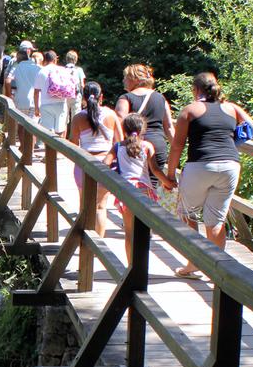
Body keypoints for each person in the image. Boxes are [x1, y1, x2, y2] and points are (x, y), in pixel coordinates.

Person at [163, 72, 253, 279]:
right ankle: (218, 269)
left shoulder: (190, 110)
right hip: (229, 166)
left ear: (195, 90)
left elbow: (177, 146)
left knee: (187, 214)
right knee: (216, 220)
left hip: (200, 165)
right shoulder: (231, 108)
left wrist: (170, 175)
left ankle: (192, 263)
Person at [116, 111, 175, 263]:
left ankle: (131, 266)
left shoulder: (118, 147)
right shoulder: (147, 146)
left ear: (124, 130)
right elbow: (155, 170)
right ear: (143, 130)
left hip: (125, 190)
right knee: (143, 232)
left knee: (129, 232)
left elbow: (104, 164)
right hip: (144, 190)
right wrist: (168, 182)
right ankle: (142, 264)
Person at [66, 81, 123, 236]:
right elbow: (119, 142)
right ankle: (98, 245)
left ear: (84, 98)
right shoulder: (112, 115)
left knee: (84, 206)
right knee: (101, 207)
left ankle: (84, 242)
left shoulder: (78, 118)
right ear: (101, 97)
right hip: (106, 163)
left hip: (84, 162)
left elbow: (72, 143)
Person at [119, 64, 176, 189]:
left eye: (125, 77)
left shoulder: (125, 98)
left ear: (135, 78)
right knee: (151, 187)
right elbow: (170, 128)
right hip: (158, 147)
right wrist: (176, 151)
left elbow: (120, 126)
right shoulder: (161, 98)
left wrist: (118, 149)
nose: (123, 80)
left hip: (135, 148)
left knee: (131, 188)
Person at [34, 49, 72, 134]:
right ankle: (60, 147)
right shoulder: (63, 70)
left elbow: (36, 92)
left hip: (46, 104)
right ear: (55, 59)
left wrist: (36, 108)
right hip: (61, 103)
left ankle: (49, 147)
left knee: (48, 133)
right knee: (60, 131)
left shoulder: (41, 71)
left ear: (44, 60)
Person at [5, 48, 42, 121]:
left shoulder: (17, 67)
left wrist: (9, 95)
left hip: (21, 100)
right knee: (32, 127)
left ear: (18, 58)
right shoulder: (37, 67)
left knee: (21, 125)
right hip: (35, 102)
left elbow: (8, 81)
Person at [64, 50, 87, 123]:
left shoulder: (62, 69)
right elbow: (82, 85)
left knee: (64, 119)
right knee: (76, 118)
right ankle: (74, 134)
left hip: (65, 96)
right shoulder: (79, 70)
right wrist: (84, 98)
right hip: (76, 95)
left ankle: (63, 133)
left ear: (66, 59)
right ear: (76, 59)